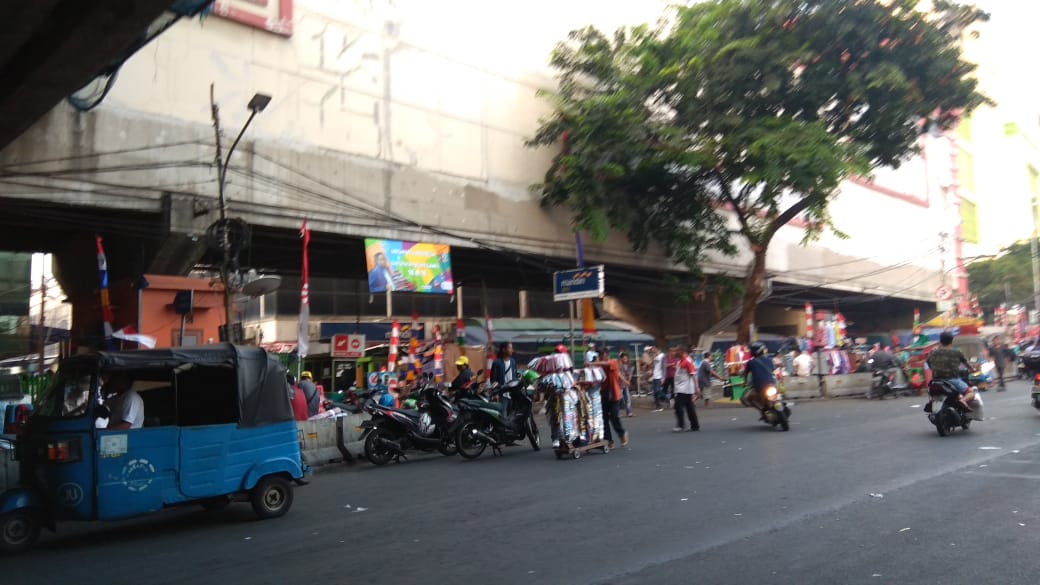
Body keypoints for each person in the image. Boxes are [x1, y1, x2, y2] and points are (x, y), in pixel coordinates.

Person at [926, 331, 975, 410]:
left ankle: (932, 402)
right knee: (971, 392)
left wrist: (934, 369)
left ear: (940, 341)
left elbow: (928, 363)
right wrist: (972, 369)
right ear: (951, 341)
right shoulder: (957, 352)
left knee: (932, 393)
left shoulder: (932, 352)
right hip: (952, 380)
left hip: (935, 381)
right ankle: (963, 400)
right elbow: (967, 364)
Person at [590, 356, 629, 447]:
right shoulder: (598, 368)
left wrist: (593, 363)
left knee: (614, 417)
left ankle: (622, 433)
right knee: (604, 419)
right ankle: (609, 440)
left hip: (614, 395)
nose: (598, 361)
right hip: (603, 395)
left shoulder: (613, 361)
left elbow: (611, 367)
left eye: (599, 359)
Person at [742, 342, 777, 410]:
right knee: (776, 396)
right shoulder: (770, 360)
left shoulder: (751, 362)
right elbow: (773, 370)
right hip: (772, 384)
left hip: (759, 387)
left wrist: (744, 382)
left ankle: (762, 410)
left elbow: (745, 374)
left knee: (746, 398)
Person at [672, 347, 700, 432]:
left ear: (682, 351)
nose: (675, 353)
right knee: (689, 407)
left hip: (684, 388)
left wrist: (696, 388)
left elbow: (693, 374)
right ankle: (695, 425)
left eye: (677, 351)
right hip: (682, 387)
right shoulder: (681, 361)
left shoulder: (687, 361)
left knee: (678, 406)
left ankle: (681, 425)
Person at [490, 342, 518, 411]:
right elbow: (493, 379)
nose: (512, 350)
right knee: (502, 417)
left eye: (512, 348)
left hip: (512, 395)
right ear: (503, 350)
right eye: (510, 348)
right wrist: (495, 393)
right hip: (502, 395)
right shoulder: (497, 362)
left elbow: (515, 377)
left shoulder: (513, 362)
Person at [618, 351, 635, 417]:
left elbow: (630, 374)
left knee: (628, 399)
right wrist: (626, 381)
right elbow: (619, 375)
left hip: (625, 385)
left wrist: (629, 381)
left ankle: (629, 412)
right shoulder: (619, 366)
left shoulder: (629, 366)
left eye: (626, 358)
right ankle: (617, 412)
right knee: (619, 398)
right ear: (621, 359)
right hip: (619, 384)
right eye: (624, 358)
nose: (625, 359)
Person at [651, 346, 666, 411]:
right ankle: (658, 405)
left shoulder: (662, 356)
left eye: (653, 349)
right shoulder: (654, 356)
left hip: (660, 376)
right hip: (655, 375)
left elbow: (664, 367)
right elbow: (654, 366)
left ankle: (667, 398)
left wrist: (663, 377)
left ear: (657, 349)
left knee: (657, 390)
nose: (652, 350)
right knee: (655, 392)